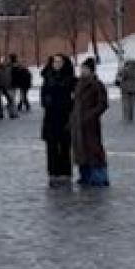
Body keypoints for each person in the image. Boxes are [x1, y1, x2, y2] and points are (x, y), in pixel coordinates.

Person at [71, 58, 110, 187]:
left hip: (90, 125)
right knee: (81, 150)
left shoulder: (97, 85)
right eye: (82, 68)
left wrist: (90, 115)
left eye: (85, 69)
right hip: (78, 124)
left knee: (94, 150)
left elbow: (103, 104)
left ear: (91, 70)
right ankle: (85, 176)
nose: (82, 71)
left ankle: (100, 177)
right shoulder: (78, 84)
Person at [40, 55, 75, 187]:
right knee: (52, 147)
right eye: (55, 61)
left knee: (65, 146)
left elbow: (74, 98)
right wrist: (48, 101)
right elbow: (43, 98)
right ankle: (53, 173)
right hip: (50, 118)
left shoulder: (70, 79)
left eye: (60, 61)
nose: (57, 64)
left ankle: (65, 173)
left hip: (66, 117)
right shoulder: (47, 78)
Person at [116, 58, 135, 124]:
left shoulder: (124, 70)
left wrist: (118, 82)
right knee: (132, 104)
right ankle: (131, 117)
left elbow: (119, 78)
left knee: (125, 103)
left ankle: (126, 117)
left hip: (125, 89)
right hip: (133, 89)